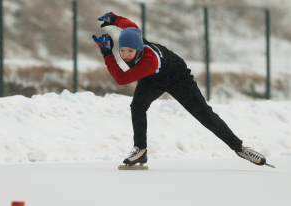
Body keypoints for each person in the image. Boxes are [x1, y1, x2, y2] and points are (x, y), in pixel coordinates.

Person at [92, 12, 273, 168]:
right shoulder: (135, 36)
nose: (125, 56)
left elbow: (122, 78)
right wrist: (114, 18)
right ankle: (140, 149)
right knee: (137, 107)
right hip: (152, 80)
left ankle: (240, 148)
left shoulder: (149, 61)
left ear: (139, 48)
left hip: (177, 77)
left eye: (130, 51)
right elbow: (130, 25)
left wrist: (107, 54)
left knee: (204, 114)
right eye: (121, 51)